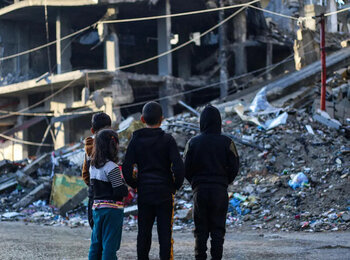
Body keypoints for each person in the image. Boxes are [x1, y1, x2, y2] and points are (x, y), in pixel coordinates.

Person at [123, 101, 185, 260]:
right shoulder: (168, 140)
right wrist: (174, 186)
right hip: (165, 193)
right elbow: (178, 167)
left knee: (143, 232)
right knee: (165, 234)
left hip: (145, 193)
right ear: (162, 119)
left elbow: (126, 167)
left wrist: (135, 184)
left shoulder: (136, 139)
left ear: (142, 119)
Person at [184, 105, 239, 260]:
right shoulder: (227, 143)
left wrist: (195, 183)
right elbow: (235, 167)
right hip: (219, 190)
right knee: (217, 229)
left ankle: (199, 256)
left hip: (200, 190)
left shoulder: (193, 143)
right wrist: (224, 182)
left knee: (200, 230)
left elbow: (185, 168)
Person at [88, 129, 129, 260]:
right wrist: (126, 187)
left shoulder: (92, 166)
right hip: (112, 211)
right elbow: (119, 191)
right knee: (109, 246)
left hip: (97, 209)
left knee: (96, 244)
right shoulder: (112, 167)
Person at [82, 112, 112, 229]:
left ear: (92, 130)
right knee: (109, 231)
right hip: (111, 196)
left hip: (95, 194)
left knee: (95, 228)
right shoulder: (114, 146)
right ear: (110, 129)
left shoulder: (89, 148)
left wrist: (92, 185)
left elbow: (85, 174)